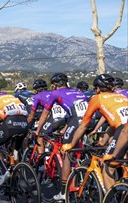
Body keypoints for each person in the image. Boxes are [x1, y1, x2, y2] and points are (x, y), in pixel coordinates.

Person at [62, 74, 128, 191]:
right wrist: (102, 142)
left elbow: (83, 126)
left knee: (108, 167)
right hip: (122, 128)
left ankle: (111, 199)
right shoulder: (121, 96)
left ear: (97, 88)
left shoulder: (97, 98)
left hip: (124, 130)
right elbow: (113, 124)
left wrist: (71, 145)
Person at [35, 73, 88, 201]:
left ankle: (64, 191)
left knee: (66, 152)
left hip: (77, 121)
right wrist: (65, 128)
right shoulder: (78, 92)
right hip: (88, 122)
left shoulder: (55, 93)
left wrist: (38, 130)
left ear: (54, 85)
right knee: (74, 150)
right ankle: (77, 175)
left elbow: (44, 115)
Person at [27, 79, 67, 155]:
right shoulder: (54, 92)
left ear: (35, 91)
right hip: (65, 118)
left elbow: (32, 116)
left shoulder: (37, 96)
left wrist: (27, 125)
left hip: (55, 118)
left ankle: (43, 158)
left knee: (40, 137)